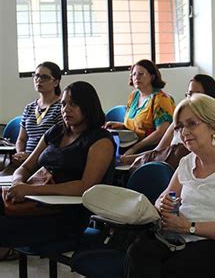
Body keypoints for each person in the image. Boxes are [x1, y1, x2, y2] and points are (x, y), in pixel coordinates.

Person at [125, 94, 215, 278]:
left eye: (192, 124)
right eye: (179, 127)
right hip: (181, 238)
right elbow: (163, 199)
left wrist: (189, 227)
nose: (184, 132)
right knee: (138, 252)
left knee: (178, 267)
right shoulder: (187, 162)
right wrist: (163, 205)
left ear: (213, 125)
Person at [0, 81, 115, 250]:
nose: (66, 109)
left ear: (88, 106)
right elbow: (25, 167)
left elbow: (85, 186)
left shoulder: (100, 139)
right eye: (63, 104)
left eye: (73, 104)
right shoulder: (56, 131)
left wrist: (30, 189)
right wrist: (18, 182)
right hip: (35, 204)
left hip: (66, 216)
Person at [120, 74, 215, 166]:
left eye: (196, 94)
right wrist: (128, 159)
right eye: (189, 94)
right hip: (169, 167)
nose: (190, 98)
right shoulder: (179, 121)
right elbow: (159, 151)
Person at [2, 62, 63, 175]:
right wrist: (21, 154)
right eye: (36, 76)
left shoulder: (61, 107)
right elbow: (21, 139)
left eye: (44, 77)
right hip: (25, 161)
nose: (39, 80)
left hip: (46, 161)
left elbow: (60, 143)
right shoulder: (29, 108)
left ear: (55, 82)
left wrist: (31, 157)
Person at [104, 59, 175, 155]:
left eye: (141, 74)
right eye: (134, 74)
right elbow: (138, 124)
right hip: (131, 142)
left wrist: (134, 148)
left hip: (151, 147)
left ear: (152, 77)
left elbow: (161, 133)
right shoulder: (134, 95)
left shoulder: (161, 99)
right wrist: (121, 125)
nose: (136, 77)